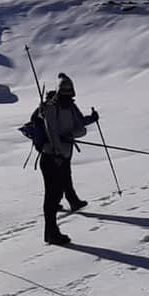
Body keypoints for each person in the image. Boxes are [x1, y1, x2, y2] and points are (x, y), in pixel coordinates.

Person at [40, 74, 99, 245]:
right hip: (52, 157)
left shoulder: (70, 106)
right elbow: (52, 133)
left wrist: (88, 121)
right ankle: (51, 232)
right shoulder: (51, 108)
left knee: (56, 193)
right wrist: (58, 151)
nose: (68, 96)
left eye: (70, 93)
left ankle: (50, 232)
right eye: (65, 93)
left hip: (63, 155)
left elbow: (80, 127)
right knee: (52, 195)